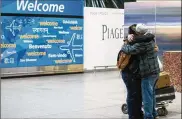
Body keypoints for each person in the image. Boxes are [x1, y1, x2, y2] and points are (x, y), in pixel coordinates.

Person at [121, 23, 160, 119]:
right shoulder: (150, 38)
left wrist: (124, 44)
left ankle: (148, 116)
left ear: (139, 33)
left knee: (147, 96)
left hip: (148, 73)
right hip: (155, 71)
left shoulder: (142, 44)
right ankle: (154, 114)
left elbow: (128, 50)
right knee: (152, 94)